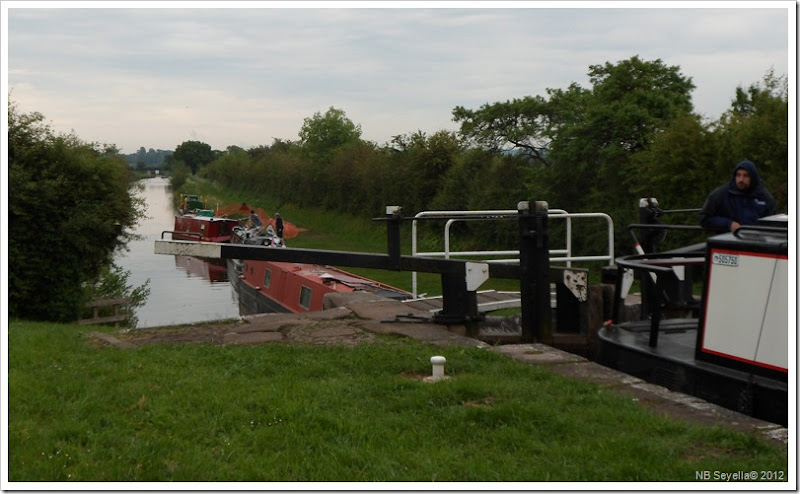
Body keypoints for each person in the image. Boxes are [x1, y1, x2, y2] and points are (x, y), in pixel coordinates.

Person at [699, 160, 778, 233]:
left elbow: (773, 223)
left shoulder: (764, 196)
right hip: (728, 243)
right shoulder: (721, 194)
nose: (741, 179)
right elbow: (704, 219)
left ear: (753, 178)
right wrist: (729, 224)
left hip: (757, 243)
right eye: (738, 175)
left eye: (746, 176)